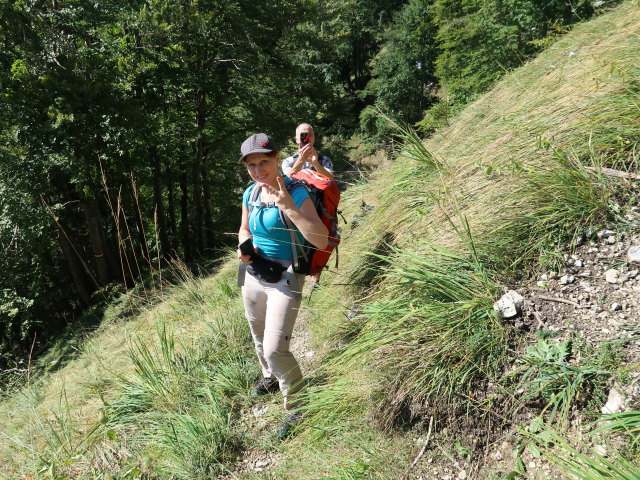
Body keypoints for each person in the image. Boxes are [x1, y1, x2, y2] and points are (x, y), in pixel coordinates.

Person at [237, 133, 328, 437]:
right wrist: (243, 245)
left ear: (277, 159)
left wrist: (288, 207)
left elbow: (320, 238)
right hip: (252, 273)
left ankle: (299, 407)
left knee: (276, 348)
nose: (258, 170)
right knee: (258, 334)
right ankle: (271, 377)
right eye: (251, 164)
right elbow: (244, 228)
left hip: (286, 276)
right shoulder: (250, 193)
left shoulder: (296, 192)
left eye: (264, 161)